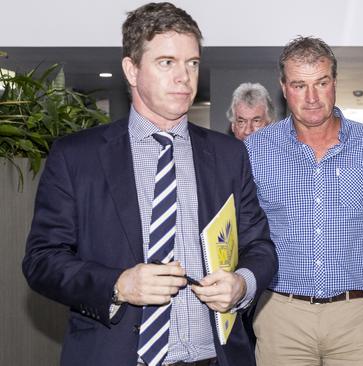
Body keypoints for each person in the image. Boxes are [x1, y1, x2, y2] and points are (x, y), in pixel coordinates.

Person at [22, 3, 277, 366]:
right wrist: (118, 285)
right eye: (166, 62)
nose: (184, 77)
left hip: (214, 357)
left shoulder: (228, 155)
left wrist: (242, 284)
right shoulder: (77, 156)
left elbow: (260, 246)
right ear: (131, 69)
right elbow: (42, 261)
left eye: (192, 63)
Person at [244, 36, 363, 366]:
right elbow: (240, 233)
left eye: (321, 83)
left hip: (357, 320)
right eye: (299, 85)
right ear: (284, 88)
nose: (311, 98)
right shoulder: (257, 150)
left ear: (334, 83)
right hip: (281, 317)